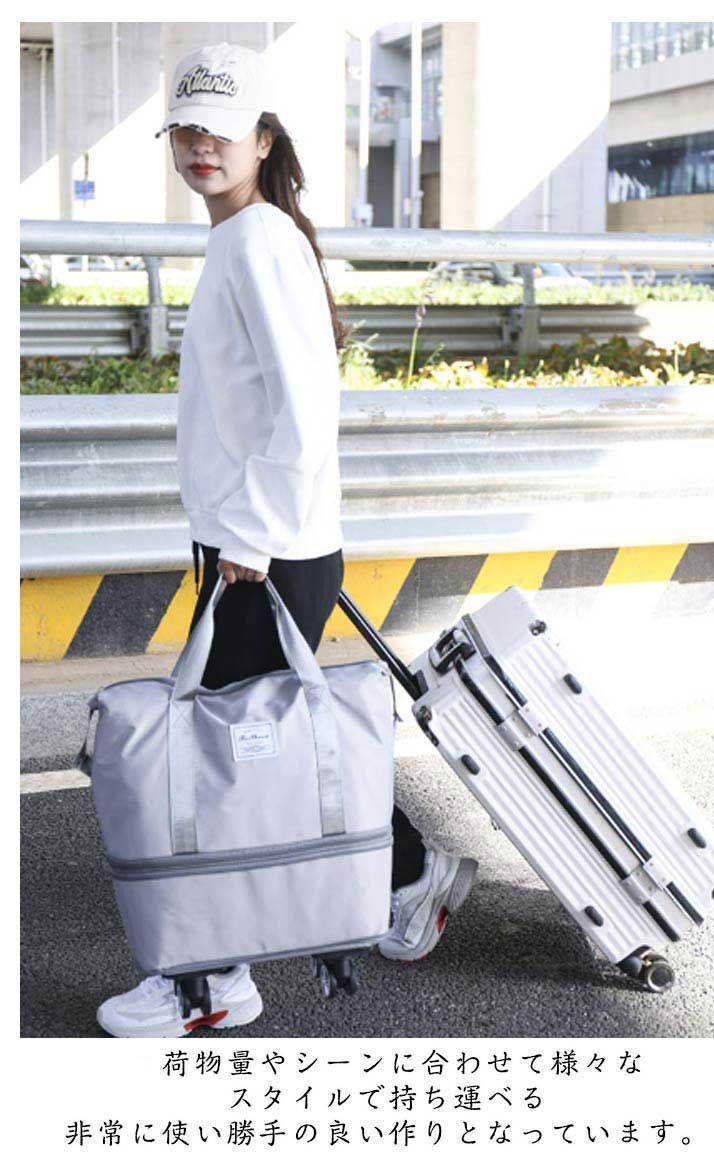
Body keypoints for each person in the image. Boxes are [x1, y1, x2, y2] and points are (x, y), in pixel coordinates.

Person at [96, 42, 477, 1039]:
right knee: (273, 744)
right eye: (186, 129)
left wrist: (254, 537)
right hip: (259, 542)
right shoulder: (246, 235)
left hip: (263, 548)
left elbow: (307, 409)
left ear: (263, 141)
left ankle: (212, 983)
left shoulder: (258, 239)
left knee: (230, 759)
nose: (201, 146)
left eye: (221, 131)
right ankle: (407, 874)